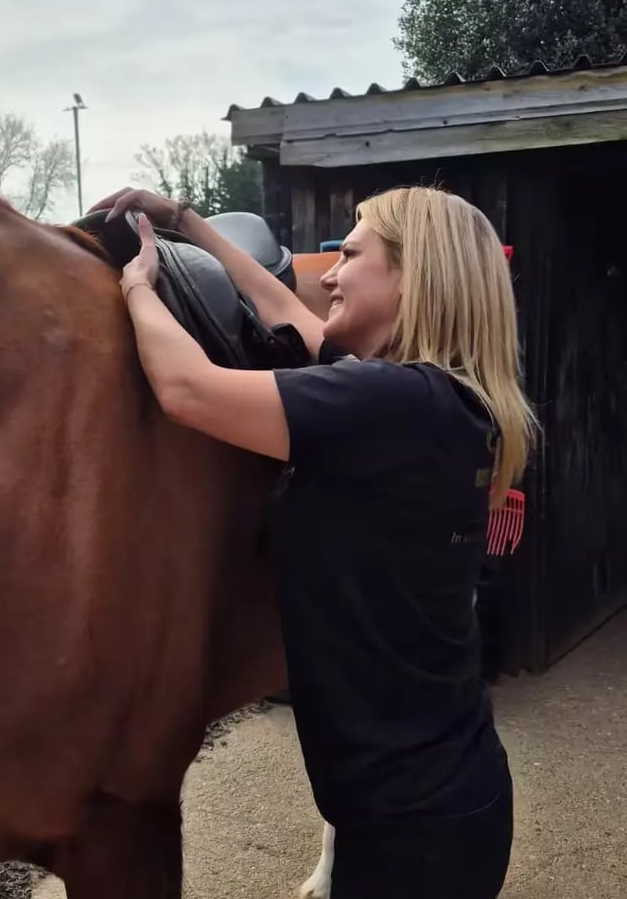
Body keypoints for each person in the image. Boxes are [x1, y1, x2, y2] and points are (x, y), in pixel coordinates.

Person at [87, 184, 539, 899]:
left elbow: (186, 389)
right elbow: (285, 312)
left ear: (412, 274)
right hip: (433, 805)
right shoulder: (437, 402)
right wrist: (185, 221)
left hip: (411, 836)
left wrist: (138, 284)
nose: (327, 274)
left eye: (350, 255)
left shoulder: (394, 406)